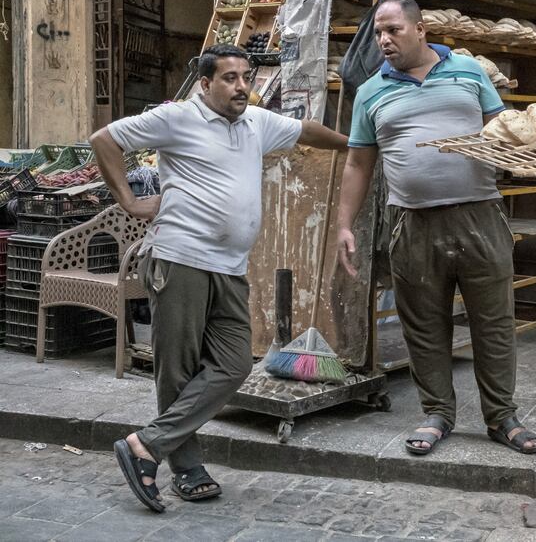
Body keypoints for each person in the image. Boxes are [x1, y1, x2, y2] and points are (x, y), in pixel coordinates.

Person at [90, 44, 349, 513]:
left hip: (230, 267)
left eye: (245, 76)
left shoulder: (256, 122)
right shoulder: (176, 119)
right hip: (181, 259)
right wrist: (129, 200)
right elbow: (104, 139)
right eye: (229, 78)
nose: (242, 86)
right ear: (205, 84)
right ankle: (184, 469)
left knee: (234, 364)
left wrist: (353, 143)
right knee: (179, 369)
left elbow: (306, 130)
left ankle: (146, 444)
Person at [335, 0, 536, 456]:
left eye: (394, 30)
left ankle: (502, 417)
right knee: (424, 325)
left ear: (421, 29)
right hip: (412, 222)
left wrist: (531, 155)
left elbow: (505, 130)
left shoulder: (469, 72)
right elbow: (357, 166)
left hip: (480, 214)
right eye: (378, 33)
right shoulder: (371, 92)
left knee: (493, 322)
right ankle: (437, 414)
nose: (384, 40)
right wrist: (343, 225)